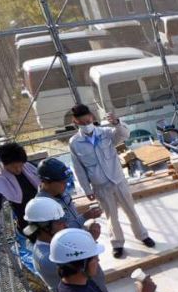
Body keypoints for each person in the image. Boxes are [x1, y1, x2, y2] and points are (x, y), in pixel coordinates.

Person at [67, 103, 156, 259]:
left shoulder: (106, 133)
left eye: (87, 121)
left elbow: (124, 135)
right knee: (111, 216)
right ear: (75, 122)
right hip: (100, 185)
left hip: (118, 180)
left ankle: (142, 236)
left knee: (131, 210)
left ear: (92, 118)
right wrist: (87, 190)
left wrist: (117, 123)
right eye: (81, 123)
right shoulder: (75, 143)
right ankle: (117, 244)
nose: (86, 125)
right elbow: (79, 169)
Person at [35, 156, 103, 233]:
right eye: (62, 182)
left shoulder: (61, 191)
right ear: (46, 182)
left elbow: (73, 218)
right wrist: (84, 217)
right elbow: (59, 234)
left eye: (66, 180)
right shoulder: (42, 206)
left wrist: (88, 229)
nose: (65, 184)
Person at [0, 142, 40, 230]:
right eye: (14, 167)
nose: (18, 169)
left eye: (21, 165)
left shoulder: (28, 166)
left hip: (44, 211)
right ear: (4, 164)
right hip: (28, 221)